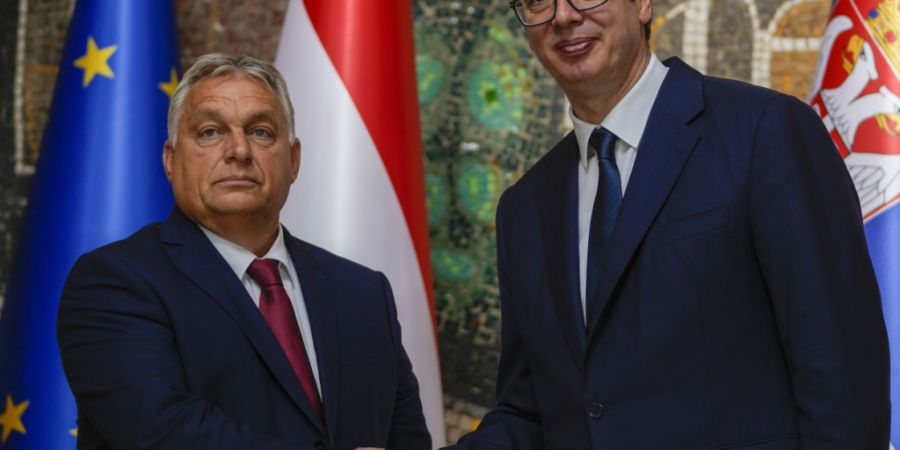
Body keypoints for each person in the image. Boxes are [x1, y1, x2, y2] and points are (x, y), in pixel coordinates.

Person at [447, 0, 890, 448]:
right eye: (538, 0)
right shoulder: (523, 208)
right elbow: (530, 414)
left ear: (642, 4)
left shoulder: (764, 132)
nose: (563, 16)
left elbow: (843, 382)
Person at [57, 53, 430, 450]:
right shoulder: (114, 282)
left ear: (293, 160)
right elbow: (164, 432)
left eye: (261, 132)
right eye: (210, 132)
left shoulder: (363, 291)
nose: (238, 150)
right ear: (170, 160)